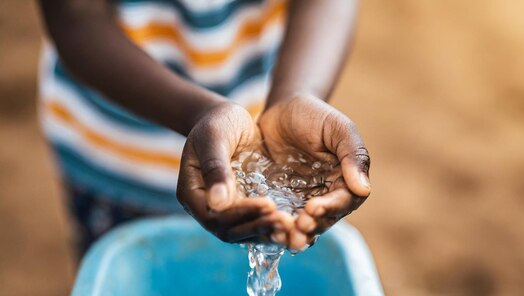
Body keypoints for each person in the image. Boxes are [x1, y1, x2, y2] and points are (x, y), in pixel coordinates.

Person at [37, 0, 371, 257]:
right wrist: (197, 113)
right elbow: (75, 16)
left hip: (259, 135)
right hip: (116, 154)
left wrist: (296, 94)